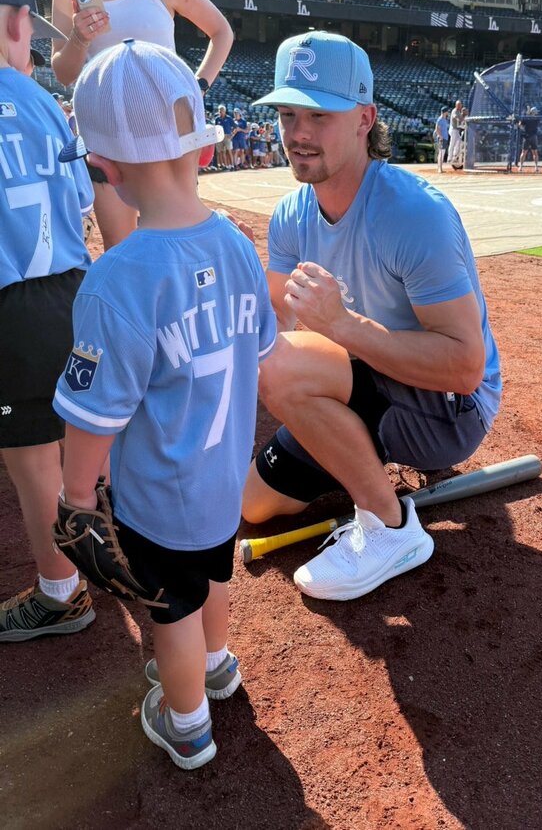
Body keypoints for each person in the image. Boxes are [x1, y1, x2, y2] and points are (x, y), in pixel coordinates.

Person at [53, 38, 276, 768]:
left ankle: (187, 724)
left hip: (158, 494)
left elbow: (91, 417)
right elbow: (259, 353)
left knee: (168, 611)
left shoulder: (118, 277)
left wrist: (78, 496)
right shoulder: (242, 245)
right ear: (205, 150)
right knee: (213, 575)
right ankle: (217, 664)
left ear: (103, 169)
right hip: (223, 479)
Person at [241, 32, 502, 602]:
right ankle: (359, 453)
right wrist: (237, 278)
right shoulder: (290, 215)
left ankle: (390, 527)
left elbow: (464, 368)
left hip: (447, 411)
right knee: (254, 506)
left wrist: (343, 327)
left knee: (280, 370)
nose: (298, 134)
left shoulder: (414, 215)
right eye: (287, 114)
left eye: (319, 114)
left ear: (365, 119)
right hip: (367, 375)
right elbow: (276, 322)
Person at [50, 0, 233, 250]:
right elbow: (64, 75)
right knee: (123, 252)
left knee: (175, 244)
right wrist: (80, 39)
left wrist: (197, 88)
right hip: (104, 140)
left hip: (167, 140)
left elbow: (222, 32)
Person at [0, 0, 94, 641]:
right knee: (80, 438)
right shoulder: (44, 102)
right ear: (18, 23)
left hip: (13, 304)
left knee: (31, 455)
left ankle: (61, 590)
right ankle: (107, 561)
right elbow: (83, 199)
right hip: (73, 286)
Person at [517, 107, 540, 173]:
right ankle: (536, 167)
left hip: (527, 136)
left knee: (524, 152)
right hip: (533, 136)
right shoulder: (536, 119)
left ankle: (521, 167)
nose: (537, 113)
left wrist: (521, 120)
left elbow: (520, 125)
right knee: (535, 152)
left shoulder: (526, 118)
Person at [448, 99, 467, 168]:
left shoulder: (459, 112)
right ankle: (449, 158)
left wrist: (464, 115)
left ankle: (454, 156)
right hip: (453, 129)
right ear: (456, 105)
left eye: (460, 105)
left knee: (458, 142)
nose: (459, 106)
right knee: (452, 143)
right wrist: (459, 119)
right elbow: (455, 117)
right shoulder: (454, 111)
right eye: (458, 105)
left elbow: (462, 119)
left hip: (457, 130)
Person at [215, 104, 235, 171]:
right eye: (219, 111)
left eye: (222, 110)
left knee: (229, 151)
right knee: (220, 152)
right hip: (219, 136)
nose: (221, 112)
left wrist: (232, 134)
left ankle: (232, 165)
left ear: (225, 111)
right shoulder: (217, 119)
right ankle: (223, 165)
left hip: (227, 136)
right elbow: (216, 128)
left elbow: (235, 127)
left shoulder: (229, 118)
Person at [433, 106, 450, 173]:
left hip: (445, 137)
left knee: (442, 153)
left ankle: (440, 168)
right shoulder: (440, 119)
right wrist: (440, 136)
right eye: (447, 111)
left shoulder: (444, 119)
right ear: (444, 112)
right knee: (441, 153)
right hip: (442, 138)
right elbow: (437, 128)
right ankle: (440, 169)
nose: (448, 113)